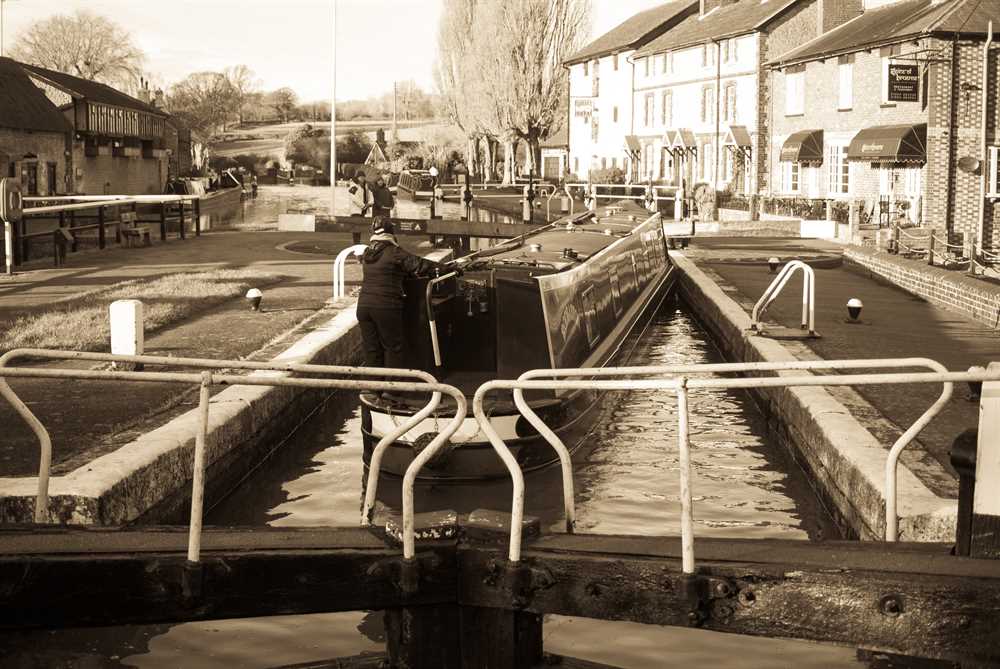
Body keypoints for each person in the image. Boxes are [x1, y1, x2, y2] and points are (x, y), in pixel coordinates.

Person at [357, 218, 449, 370]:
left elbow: (388, 272)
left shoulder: (368, 253)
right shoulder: (394, 252)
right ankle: (390, 391)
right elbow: (419, 265)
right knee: (393, 347)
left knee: (372, 349)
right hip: (386, 306)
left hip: (364, 306)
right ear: (390, 233)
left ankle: (370, 389)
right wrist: (446, 268)